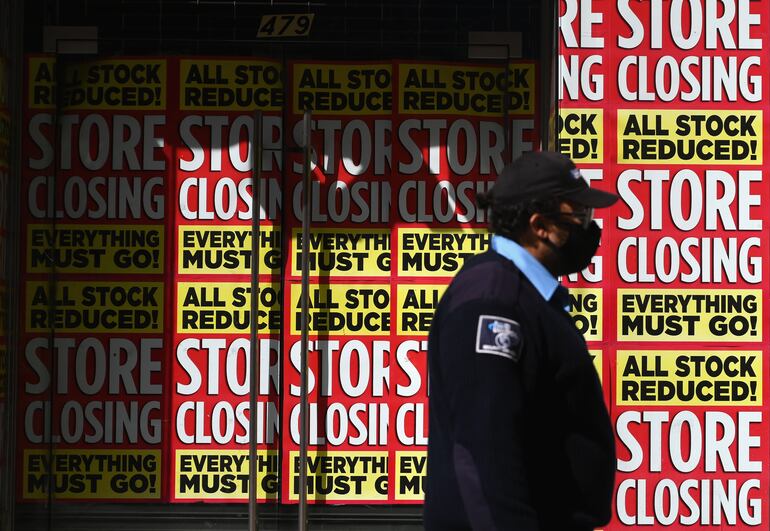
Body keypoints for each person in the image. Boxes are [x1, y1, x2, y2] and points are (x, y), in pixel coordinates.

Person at [424, 151, 617, 530]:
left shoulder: (526, 296)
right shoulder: (495, 303)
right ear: (540, 225)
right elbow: (486, 455)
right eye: (578, 215)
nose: (588, 228)